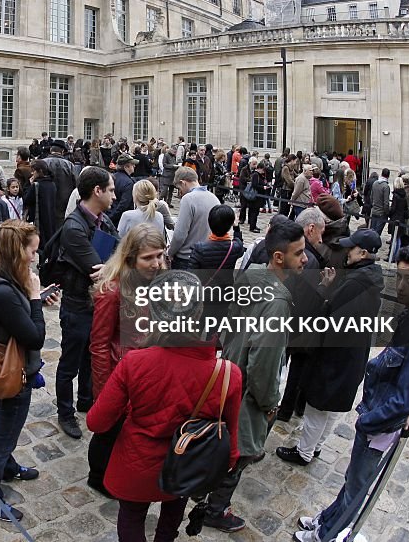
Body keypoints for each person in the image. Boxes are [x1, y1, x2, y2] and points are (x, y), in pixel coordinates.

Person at [296, 244, 409, 541]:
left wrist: (368, 421)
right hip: (375, 415)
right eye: (398, 277)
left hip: (380, 424)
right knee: (351, 482)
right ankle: (326, 522)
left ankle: (327, 535)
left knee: (357, 488)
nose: (400, 286)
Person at [87, 271, 243, 542]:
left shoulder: (134, 363)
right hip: (187, 464)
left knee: (132, 518)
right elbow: (231, 445)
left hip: (138, 462)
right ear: (198, 312)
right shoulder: (227, 374)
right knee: (170, 522)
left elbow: (96, 423)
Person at [201, 220, 307, 533]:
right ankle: (215, 509)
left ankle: (200, 489)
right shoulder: (277, 302)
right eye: (299, 253)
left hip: (228, 374)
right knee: (240, 454)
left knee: (221, 443)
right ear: (278, 257)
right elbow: (264, 362)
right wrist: (269, 402)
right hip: (246, 391)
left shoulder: (252, 275)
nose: (305, 259)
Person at [278, 229, 384, 468]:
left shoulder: (357, 282)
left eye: (352, 249)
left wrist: (325, 291)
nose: (347, 252)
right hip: (349, 357)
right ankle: (314, 447)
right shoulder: (370, 277)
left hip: (335, 358)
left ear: (363, 253)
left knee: (317, 408)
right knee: (330, 408)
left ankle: (304, 452)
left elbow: (330, 319)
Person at [0, 220, 51, 521]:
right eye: (32, 251)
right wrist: (34, 299)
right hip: (13, 375)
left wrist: (36, 301)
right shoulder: (3, 291)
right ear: (17, 253)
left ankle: (8, 467)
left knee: (6, 431)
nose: (35, 257)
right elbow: (34, 336)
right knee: (4, 437)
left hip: (6, 364)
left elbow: (14, 317)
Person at [87, 224, 166, 497]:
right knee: (108, 432)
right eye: (149, 257)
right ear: (131, 258)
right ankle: (97, 477)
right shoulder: (112, 291)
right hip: (118, 377)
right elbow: (98, 345)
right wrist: (102, 393)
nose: (156, 263)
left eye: (160, 255)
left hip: (147, 376)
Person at [55, 166, 117, 439]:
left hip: (97, 305)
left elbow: (118, 253)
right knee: (69, 363)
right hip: (77, 303)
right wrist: (118, 265)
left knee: (91, 356)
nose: (115, 195)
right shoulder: (74, 227)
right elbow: (99, 267)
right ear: (98, 191)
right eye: (111, 190)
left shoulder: (104, 219)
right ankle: (66, 413)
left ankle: (85, 399)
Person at [275, 207, 327, 422]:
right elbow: (305, 300)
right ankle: (282, 407)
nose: (321, 239)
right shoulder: (309, 261)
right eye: (320, 233)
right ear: (311, 228)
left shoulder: (279, 244)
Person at [184, 204, 245, 333]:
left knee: (197, 329)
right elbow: (239, 241)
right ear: (229, 225)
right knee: (215, 331)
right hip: (224, 296)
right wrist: (237, 226)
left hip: (204, 296)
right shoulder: (234, 248)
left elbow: (190, 275)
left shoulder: (200, 248)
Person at [168, 168, 220, 270]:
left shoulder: (188, 199)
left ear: (183, 183)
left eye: (179, 188)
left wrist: (170, 252)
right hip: (207, 255)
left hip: (186, 258)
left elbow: (180, 234)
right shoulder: (214, 198)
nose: (181, 192)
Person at [368, 168, 391, 236]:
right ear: (388, 176)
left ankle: (370, 245)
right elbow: (386, 202)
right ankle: (373, 246)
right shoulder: (386, 186)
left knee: (372, 230)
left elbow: (371, 197)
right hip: (381, 213)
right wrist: (387, 212)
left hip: (374, 210)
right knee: (377, 233)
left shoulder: (375, 183)